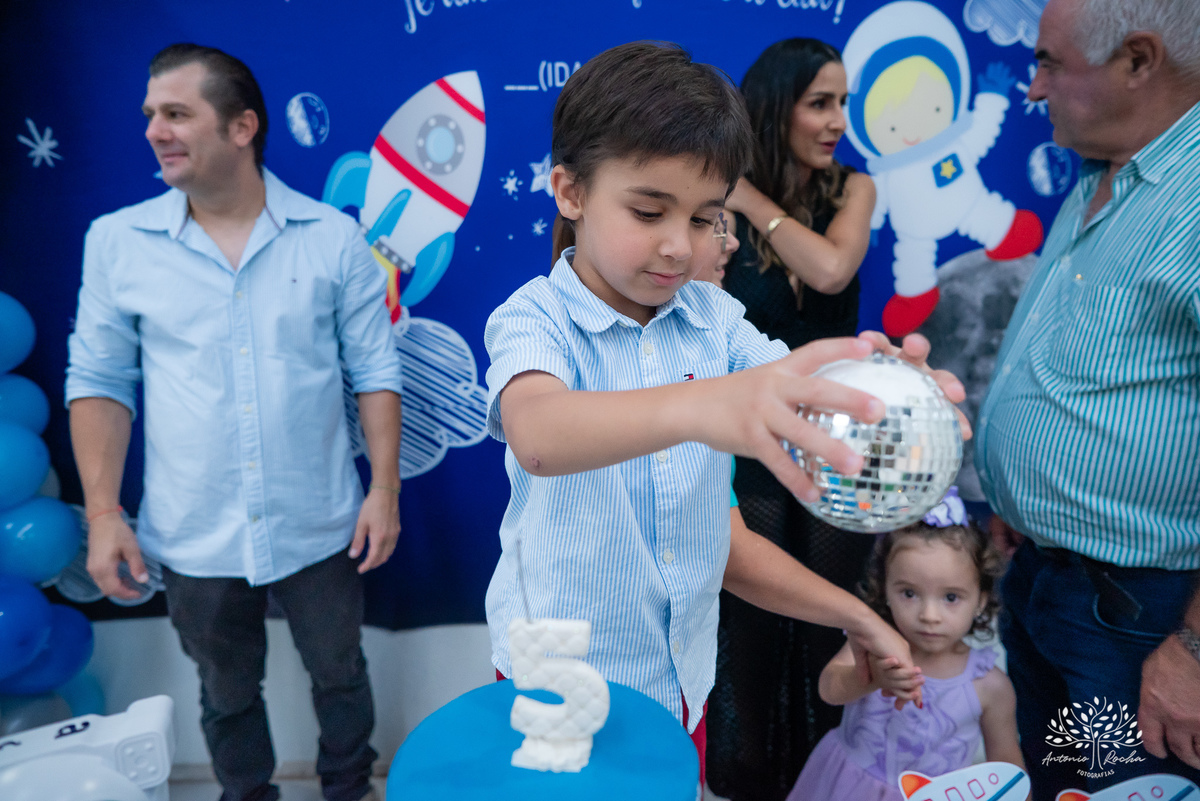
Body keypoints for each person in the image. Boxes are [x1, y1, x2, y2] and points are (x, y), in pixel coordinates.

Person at [483, 40, 968, 788]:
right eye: (649, 210)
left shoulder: (714, 320)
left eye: (708, 218)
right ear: (571, 192)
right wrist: (707, 405)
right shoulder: (535, 320)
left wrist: (894, 404)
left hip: (683, 682)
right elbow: (541, 435)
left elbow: (728, 542)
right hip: (561, 688)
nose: (681, 246)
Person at [65, 44, 403, 801]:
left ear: (243, 126)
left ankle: (350, 788)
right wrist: (102, 513)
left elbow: (376, 372)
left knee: (340, 671)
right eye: (151, 115)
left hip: (319, 519)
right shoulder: (118, 243)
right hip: (193, 528)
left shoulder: (330, 237)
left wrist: (385, 489)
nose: (155, 130)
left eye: (177, 113)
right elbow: (98, 383)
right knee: (226, 689)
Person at [974, 0, 1200, 796]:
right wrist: (1026, 495)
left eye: (1049, 63)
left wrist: (1196, 648)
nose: (1031, 89)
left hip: (1141, 622)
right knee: (1064, 783)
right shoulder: (1107, 173)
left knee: (1117, 789)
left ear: (1139, 61)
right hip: (1049, 586)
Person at [710, 39, 879, 800]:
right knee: (746, 626)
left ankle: (828, 781)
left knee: (826, 624)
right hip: (745, 444)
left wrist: (751, 202)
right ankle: (745, 782)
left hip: (835, 444)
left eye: (843, 102)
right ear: (777, 108)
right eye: (821, 102)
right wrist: (732, 200)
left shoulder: (854, 190)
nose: (838, 120)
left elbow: (831, 270)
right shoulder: (715, 204)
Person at [788, 490, 1024, 800]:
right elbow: (828, 690)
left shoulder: (990, 686)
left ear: (980, 600)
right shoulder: (872, 644)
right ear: (885, 587)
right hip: (846, 788)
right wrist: (871, 675)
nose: (929, 616)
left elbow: (1007, 769)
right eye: (909, 593)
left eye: (951, 597)